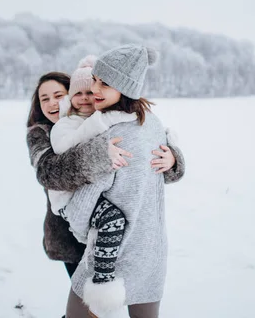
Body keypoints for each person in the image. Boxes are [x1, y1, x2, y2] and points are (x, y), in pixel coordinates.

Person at [25, 62, 185, 316]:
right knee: (88, 305)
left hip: (110, 232)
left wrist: (173, 159)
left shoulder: (99, 119)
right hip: (69, 236)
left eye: (58, 95)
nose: (52, 103)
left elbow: (139, 158)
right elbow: (49, 172)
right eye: (45, 98)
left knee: (100, 301)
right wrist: (99, 155)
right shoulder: (40, 132)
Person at [62, 44, 175, 317]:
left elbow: (85, 200)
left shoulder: (111, 134)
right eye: (96, 80)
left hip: (111, 252)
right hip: (151, 250)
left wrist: (76, 225)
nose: (95, 90)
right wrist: (175, 159)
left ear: (124, 87)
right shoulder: (153, 123)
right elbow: (164, 165)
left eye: (106, 83)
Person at [48, 55, 136, 296]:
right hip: (68, 202)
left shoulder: (103, 119)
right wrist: (101, 120)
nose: (85, 98)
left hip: (96, 193)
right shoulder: (65, 124)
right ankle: (102, 283)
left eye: (90, 92)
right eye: (78, 93)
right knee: (112, 220)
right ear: (70, 98)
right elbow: (65, 149)